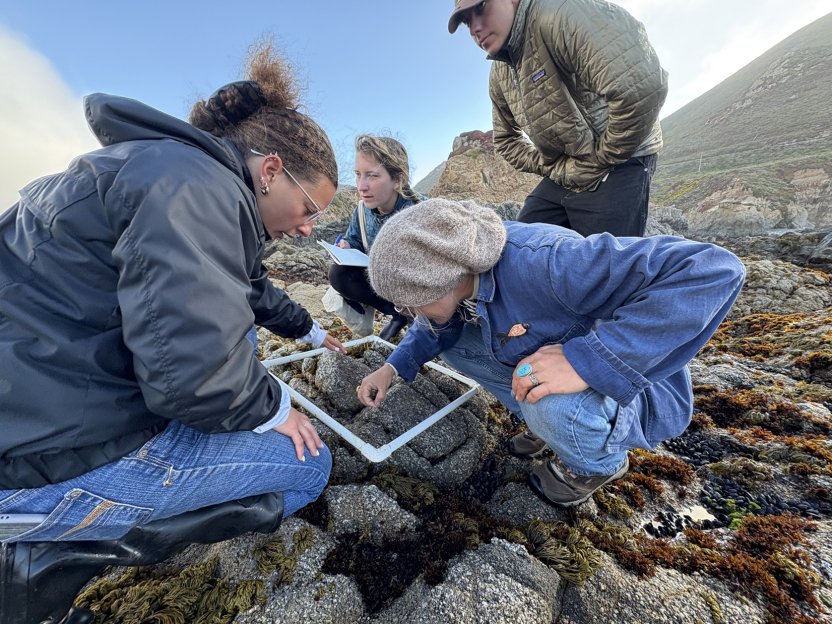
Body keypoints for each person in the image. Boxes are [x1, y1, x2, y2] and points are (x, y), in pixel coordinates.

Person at [0, 43, 342, 543]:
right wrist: (275, 408)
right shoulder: (196, 189)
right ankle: (56, 548)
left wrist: (309, 330)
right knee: (310, 467)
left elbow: (246, 287)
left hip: (43, 393)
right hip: (40, 460)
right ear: (270, 172)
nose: (308, 228)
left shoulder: (179, 168)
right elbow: (193, 379)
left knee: (241, 338)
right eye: (309, 208)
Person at [357, 199, 745, 507]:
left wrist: (587, 361)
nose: (406, 313)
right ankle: (546, 426)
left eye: (408, 302)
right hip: (553, 357)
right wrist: (392, 367)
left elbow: (713, 269)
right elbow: (432, 327)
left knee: (551, 406)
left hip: (639, 391)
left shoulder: (549, 262)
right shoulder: (465, 272)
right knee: (453, 344)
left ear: (441, 278)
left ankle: (596, 463)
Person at [448, 0, 669, 237]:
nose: (474, 29)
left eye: (481, 7)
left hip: (621, 159)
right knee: (520, 243)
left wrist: (603, 156)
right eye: (467, 21)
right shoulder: (500, 72)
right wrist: (553, 167)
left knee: (604, 258)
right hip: (568, 169)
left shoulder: (558, 13)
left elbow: (640, 89)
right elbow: (506, 140)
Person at [328, 134, 423, 341]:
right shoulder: (362, 210)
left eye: (372, 176)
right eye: (358, 175)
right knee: (338, 273)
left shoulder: (422, 211)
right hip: (382, 282)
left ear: (398, 180)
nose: (361, 186)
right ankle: (399, 314)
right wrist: (347, 246)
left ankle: (421, 318)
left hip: (418, 287)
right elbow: (355, 239)